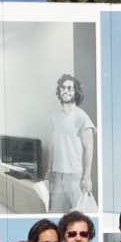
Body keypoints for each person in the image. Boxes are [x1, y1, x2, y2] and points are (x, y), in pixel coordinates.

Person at [48, 73, 95, 212]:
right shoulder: (54, 117)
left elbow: (89, 148)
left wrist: (86, 177)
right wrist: (48, 172)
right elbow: (52, 146)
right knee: (54, 214)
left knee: (79, 216)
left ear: (76, 92)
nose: (66, 91)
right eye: (63, 88)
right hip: (57, 175)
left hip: (76, 176)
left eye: (70, 88)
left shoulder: (82, 117)